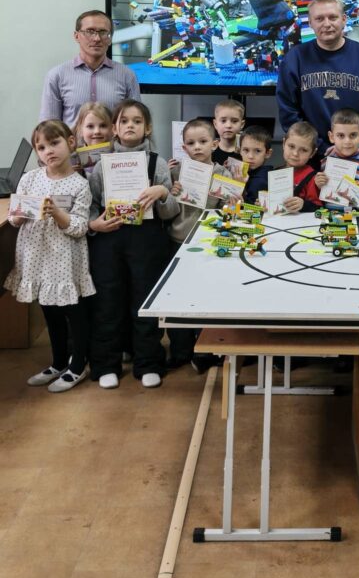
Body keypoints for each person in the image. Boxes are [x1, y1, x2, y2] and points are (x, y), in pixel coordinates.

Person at [87, 100, 178, 389]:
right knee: (108, 301)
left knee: (145, 300)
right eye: (124, 121)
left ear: (147, 128)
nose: (130, 125)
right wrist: (94, 223)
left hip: (147, 240)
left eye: (137, 121)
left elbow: (171, 211)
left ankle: (148, 362)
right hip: (109, 239)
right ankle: (106, 364)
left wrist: (163, 192)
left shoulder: (157, 163)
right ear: (114, 128)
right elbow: (91, 204)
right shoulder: (101, 166)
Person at [4, 120, 94, 393]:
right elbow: (14, 218)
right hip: (36, 255)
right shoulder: (30, 178)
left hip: (65, 258)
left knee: (73, 312)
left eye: (54, 143)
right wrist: (18, 215)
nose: (49, 151)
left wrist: (57, 213)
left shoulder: (79, 185)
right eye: (41, 147)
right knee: (49, 310)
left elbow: (79, 227)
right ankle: (58, 362)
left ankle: (79, 364)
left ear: (70, 143)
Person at [276, 0, 359, 156]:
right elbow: (288, 112)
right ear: (310, 23)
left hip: (355, 155)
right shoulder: (294, 59)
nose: (327, 24)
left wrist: (350, 147)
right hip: (308, 156)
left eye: (333, 17)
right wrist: (318, 148)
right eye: (319, 19)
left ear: (344, 19)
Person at [167, 118, 233, 370]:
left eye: (203, 141)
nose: (197, 147)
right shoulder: (175, 173)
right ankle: (180, 350)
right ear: (184, 147)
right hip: (178, 241)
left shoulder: (224, 174)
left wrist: (231, 202)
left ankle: (206, 351)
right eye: (191, 143)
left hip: (208, 244)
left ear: (215, 144)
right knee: (176, 298)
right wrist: (171, 195)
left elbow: (227, 212)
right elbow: (166, 213)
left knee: (206, 298)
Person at [39, 10, 141, 127]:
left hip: (112, 140)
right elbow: (49, 129)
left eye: (103, 32)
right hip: (74, 140)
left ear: (110, 38)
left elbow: (136, 124)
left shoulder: (127, 76)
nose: (97, 38)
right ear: (76, 36)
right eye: (90, 32)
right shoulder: (57, 76)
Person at [315, 108, 359, 212]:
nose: (347, 141)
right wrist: (318, 186)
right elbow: (318, 200)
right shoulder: (325, 163)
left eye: (353, 135)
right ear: (331, 137)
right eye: (341, 135)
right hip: (330, 218)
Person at [279, 121, 322, 214]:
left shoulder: (312, 177)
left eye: (303, 150)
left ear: (312, 153)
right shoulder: (275, 172)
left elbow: (317, 207)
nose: (295, 154)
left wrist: (303, 204)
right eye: (291, 146)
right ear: (283, 143)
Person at [72, 100, 113, 175]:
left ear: (112, 129)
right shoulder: (73, 160)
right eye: (90, 126)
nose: (97, 131)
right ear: (80, 130)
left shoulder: (119, 154)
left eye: (103, 126)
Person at [240, 125, 274, 205]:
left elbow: (249, 208)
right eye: (246, 150)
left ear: (268, 153)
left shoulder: (261, 181)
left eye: (257, 151)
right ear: (239, 150)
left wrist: (240, 185)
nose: (250, 156)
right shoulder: (243, 171)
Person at [212, 98, 246, 166]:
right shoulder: (208, 151)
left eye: (234, 121)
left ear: (242, 124)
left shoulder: (246, 153)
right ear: (215, 124)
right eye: (223, 121)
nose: (228, 125)